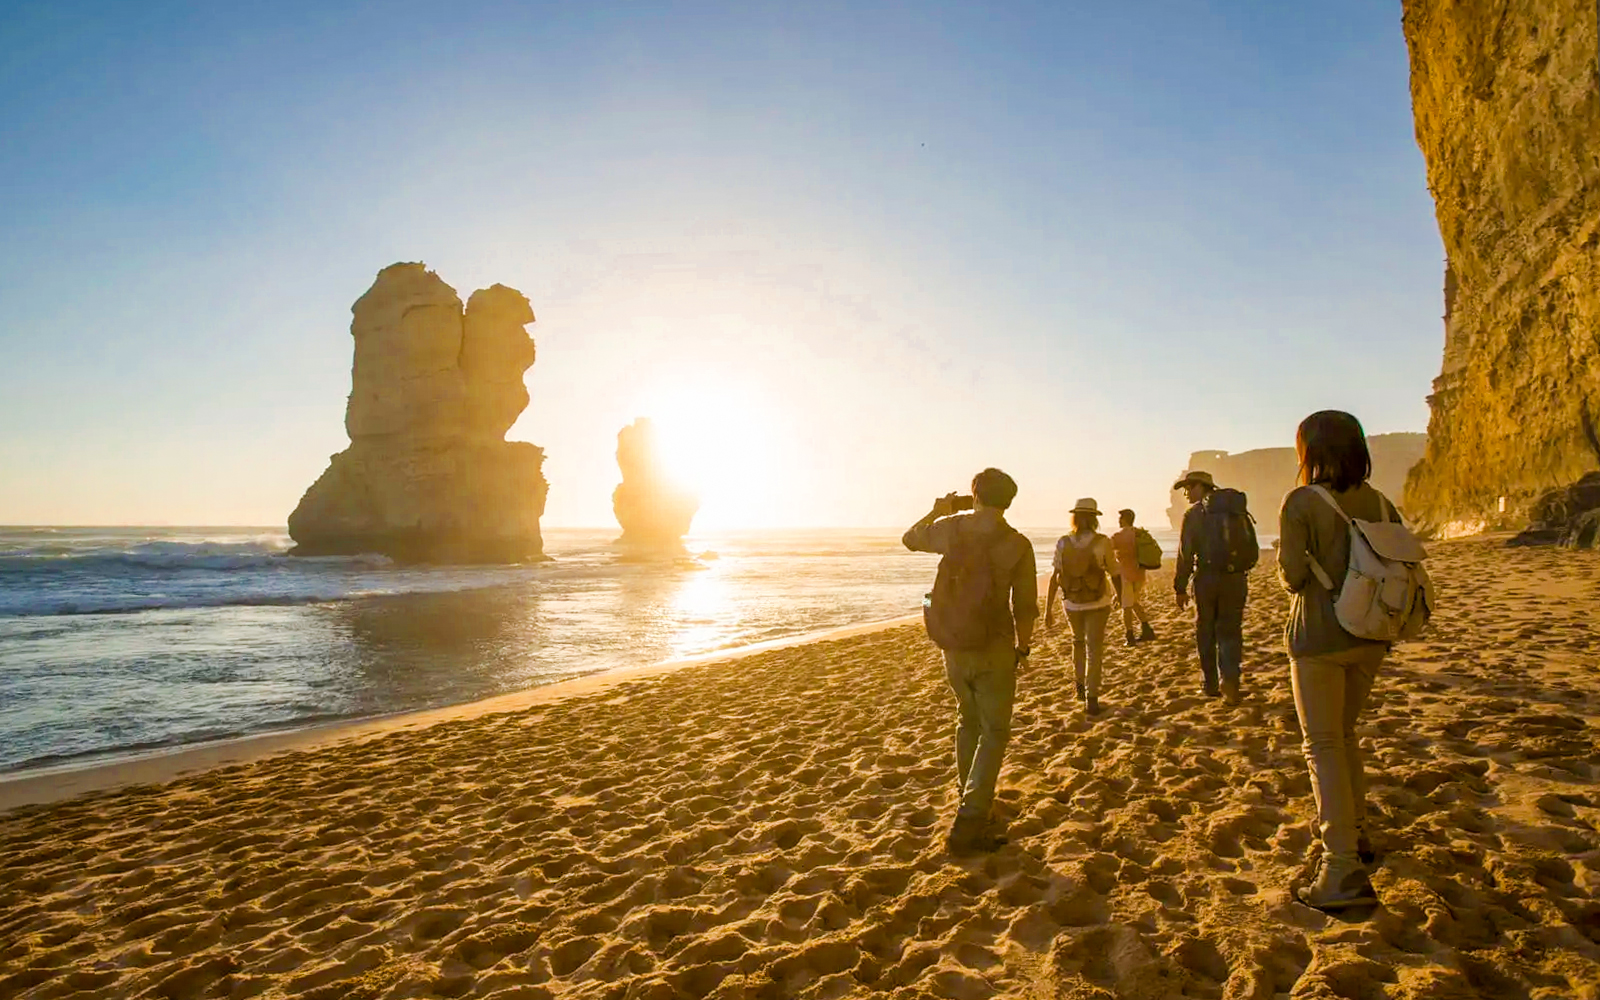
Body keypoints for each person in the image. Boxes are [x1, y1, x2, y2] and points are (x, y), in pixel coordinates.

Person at [1278, 410, 1395, 911]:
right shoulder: (1383, 503)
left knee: (1322, 744)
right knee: (1345, 737)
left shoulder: (1303, 500)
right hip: (1372, 633)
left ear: (1310, 451)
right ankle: (1359, 833)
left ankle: (1340, 867)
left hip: (1320, 637)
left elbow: (1289, 574)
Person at [903, 467, 1038, 855]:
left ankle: (969, 800)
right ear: (1009, 500)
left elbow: (909, 539)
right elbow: (1024, 605)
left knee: (968, 720)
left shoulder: (952, 528)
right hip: (994, 645)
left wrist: (936, 510)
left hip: (953, 643)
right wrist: (1023, 648)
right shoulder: (1018, 543)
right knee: (994, 732)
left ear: (974, 493)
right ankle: (972, 815)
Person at [1172, 470, 1250, 702]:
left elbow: (1186, 554)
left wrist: (1180, 587)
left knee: (1205, 631)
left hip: (1207, 579)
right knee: (1231, 630)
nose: (1185, 493)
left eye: (1188, 487)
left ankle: (1211, 683)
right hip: (1236, 577)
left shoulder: (1194, 514)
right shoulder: (1236, 510)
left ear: (1201, 487)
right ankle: (1231, 681)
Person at [1044, 498, 1119, 715]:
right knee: (1094, 649)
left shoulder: (1063, 542)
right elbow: (1114, 572)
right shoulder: (1103, 541)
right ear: (1095, 519)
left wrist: (1049, 608)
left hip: (1072, 602)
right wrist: (1122, 598)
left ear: (1074, 518)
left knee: (1077, 642)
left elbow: (1055, 576)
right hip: (1098, 601)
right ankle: (1091, 696)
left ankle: (1079, 687)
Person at [1110, 508, 1157, 646]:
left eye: (1120, 518)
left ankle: (1129, 636)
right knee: (1133, 602)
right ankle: (1147, 629)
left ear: (1124, 519)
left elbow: (1106, 551)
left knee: (1126, 606)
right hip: (1140, 573)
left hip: (1126, 574)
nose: (1118, 521)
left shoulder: (1118, 536)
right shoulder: (1140, 533)